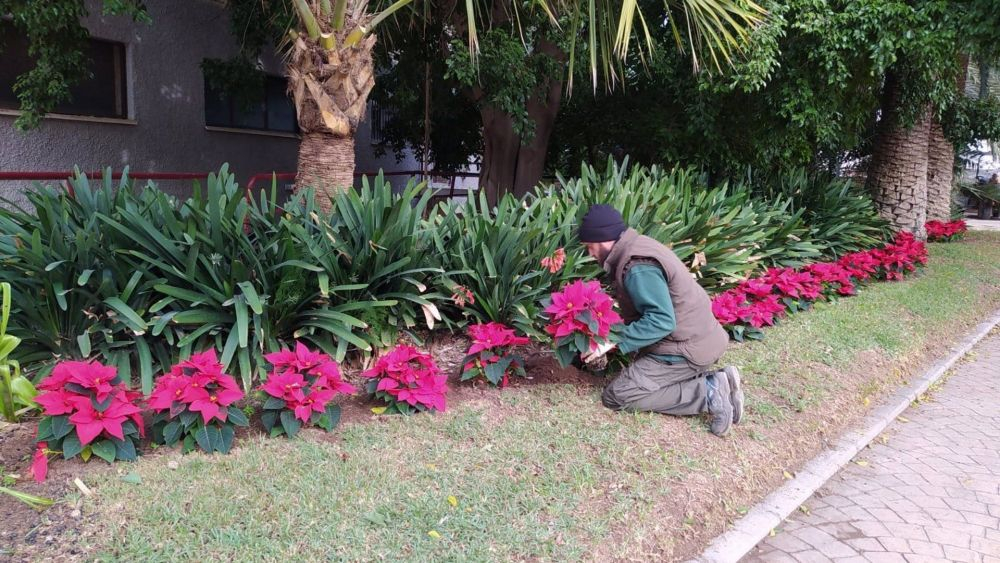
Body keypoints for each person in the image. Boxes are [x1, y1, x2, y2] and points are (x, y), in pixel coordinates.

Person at [576, 204, 744, 437]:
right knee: (640, 378)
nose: (589, 253)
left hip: (684, 349)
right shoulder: (638, 246)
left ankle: (709, 391)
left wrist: (612, 341)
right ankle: (720, 381)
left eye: (589, 247)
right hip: (698, 339)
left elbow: (662, 321)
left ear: (602, 239)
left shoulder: (637, 267)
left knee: (619, 394)